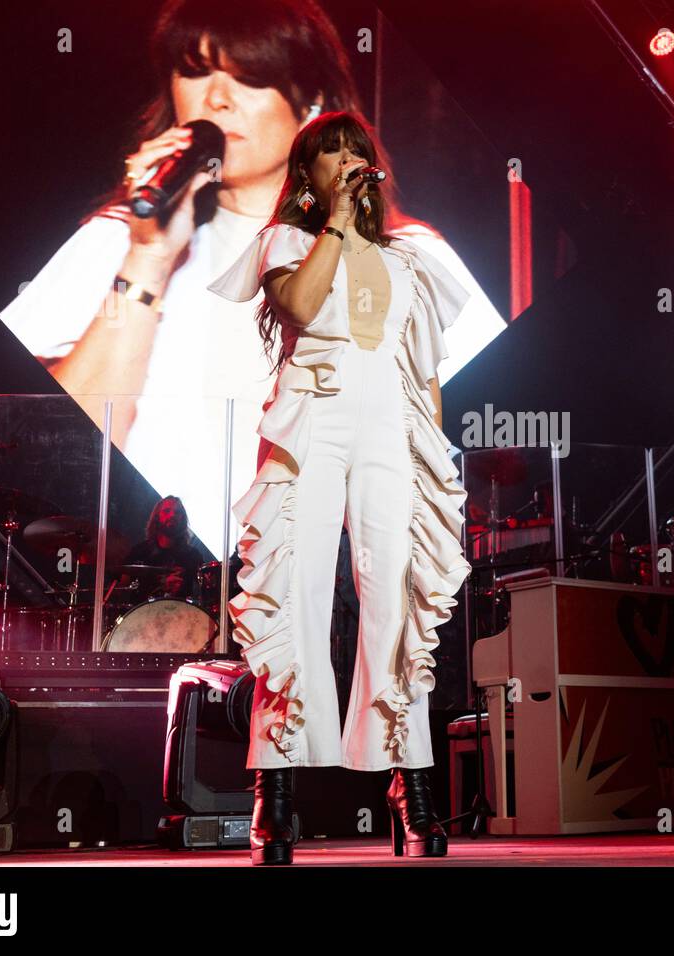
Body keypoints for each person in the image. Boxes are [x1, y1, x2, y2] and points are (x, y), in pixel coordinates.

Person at [0, 0, 506, 549]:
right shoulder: (116, 239)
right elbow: (55, 462)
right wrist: (149, 259)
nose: (216, 99)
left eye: (249, 78)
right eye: (195, 72)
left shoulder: (404, 257)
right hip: (137, 590)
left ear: (311, 103)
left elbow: (486, 458)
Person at [208, 111, 471, 863]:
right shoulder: (290, 242)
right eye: (332, 154)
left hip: (390, 430)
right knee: (294, 598)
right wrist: (334, 225)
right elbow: (297, 306)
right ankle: (276, 792)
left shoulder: (410, 262)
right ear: (307, 177)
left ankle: (409, 784)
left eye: (358, 151)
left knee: (396, 604)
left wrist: (432, 464)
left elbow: (425, 375)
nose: (350, 161)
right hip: (311, 427)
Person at [122, 495, 204, 599]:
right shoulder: (140, 552)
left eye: (177, 512)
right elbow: (122, 589)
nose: (172, 515)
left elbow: (202, 593)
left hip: (183, 613)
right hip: (144, 613)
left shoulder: (193, 556)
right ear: (157, 517)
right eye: (166, 511)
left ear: (182, 518)